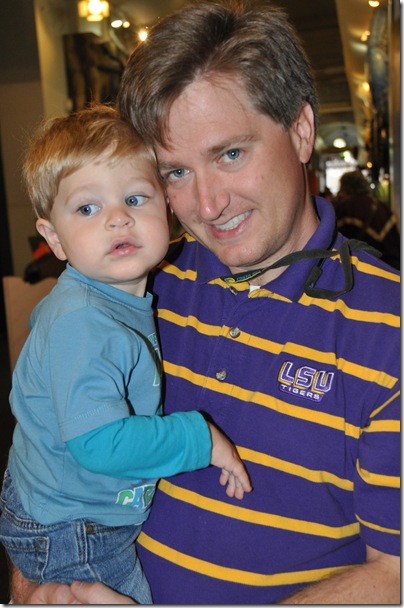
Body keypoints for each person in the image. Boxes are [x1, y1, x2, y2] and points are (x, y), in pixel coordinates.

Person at [12, 0, 400, 604]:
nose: (208, 205)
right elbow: (44, 452)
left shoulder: (388, 327)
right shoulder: (138, 283)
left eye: (230, 154)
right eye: (175, 173)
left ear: (301, 130)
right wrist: (37, 585)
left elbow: (395, 574)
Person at [0, 104, 252, 602]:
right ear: (54, 238)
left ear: (167, 210)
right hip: (75, 527)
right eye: (87, 209)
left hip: (63, 508)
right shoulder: (85, 321)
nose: (118, 218)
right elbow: (99, 443)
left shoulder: (99, 300)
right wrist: (199, 438)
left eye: (135, 198)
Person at [334, 170, 400, 270]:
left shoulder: (344, 209)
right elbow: (395, 247)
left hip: (354, 270)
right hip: (384, 268)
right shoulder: (381, 208)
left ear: (345, 188)